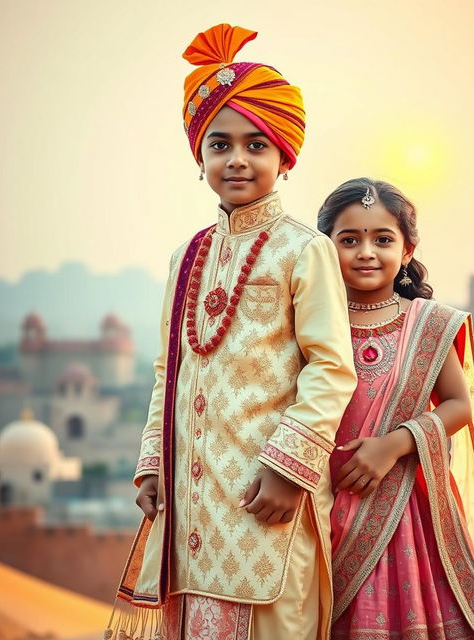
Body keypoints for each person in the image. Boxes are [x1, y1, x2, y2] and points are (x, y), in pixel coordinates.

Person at [105, 24, 357, 640]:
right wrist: (152, 463)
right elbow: (171, 370)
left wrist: (287, 469)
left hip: (264, 489)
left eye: (256, 145)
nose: (237, 159)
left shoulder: (306, 250)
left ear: (283, 158)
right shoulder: (185, 256)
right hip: (192, 499)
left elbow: (331, 368)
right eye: (220, 145)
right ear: (201, 158)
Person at [318, 178, 474, 640]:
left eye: (383, 239)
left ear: (407, 250)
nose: (366, 251)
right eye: (349, 240)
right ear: (324, 250)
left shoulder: (428, 323)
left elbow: (458, 405)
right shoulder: (313, 324)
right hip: (326, 502)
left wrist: (394, 445)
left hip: (408, 508)